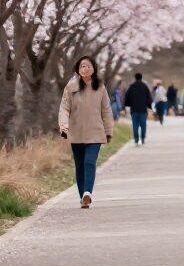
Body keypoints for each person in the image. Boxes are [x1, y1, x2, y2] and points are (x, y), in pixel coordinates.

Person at [58, 55, 113, 208]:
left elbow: (106, 110)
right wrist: (64, 126)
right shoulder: (71, 86)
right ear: (78, 69)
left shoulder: (100, 86)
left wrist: (108, 131)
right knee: (80, 165)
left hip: (95, 131)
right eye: (82, 66)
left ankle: (87, 192)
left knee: (89, 162)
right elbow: (64, 108)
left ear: (94, 68)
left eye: (88, 66)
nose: (85, 68)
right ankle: (83, 197)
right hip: (76, 132)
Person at [124, 72, 152, 145]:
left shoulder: (131, 86)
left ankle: (136, 139)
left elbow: (127, 97)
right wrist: (149, 106)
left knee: (135, 124)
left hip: (134, 109)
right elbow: (149, 97)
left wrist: (127, 105)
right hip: (143, 109)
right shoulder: (145, 86)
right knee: (143, 124)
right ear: (141, 77)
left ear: (135, 77)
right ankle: (142, 139)